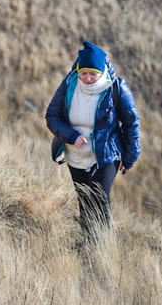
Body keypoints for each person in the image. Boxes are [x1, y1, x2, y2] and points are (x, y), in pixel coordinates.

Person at [45, 41, 141, 242]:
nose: (87, 78)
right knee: (85, 201)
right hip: (76, 154)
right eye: (84, 73)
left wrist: (130, 157)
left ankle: (103, 246)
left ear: (102, 71)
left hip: (106, 155)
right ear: (78, 71)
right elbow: (52, 116)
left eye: (93, 74)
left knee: (98, 197)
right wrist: (70, 136)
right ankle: (88, 244)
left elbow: (132, 122)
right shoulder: (69, 85)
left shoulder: (116, 88)